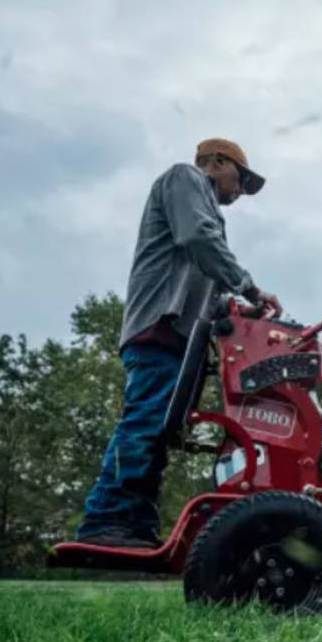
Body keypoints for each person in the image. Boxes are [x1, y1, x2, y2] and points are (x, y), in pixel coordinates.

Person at [75, 138, 282, 548]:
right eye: (241, 179)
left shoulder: (200, 209)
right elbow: (199, 239)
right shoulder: (184, 179)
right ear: (216, 162)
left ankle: (134, 525)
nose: (240, 190)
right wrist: (250, 289)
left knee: (161, 430)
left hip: (180, 338)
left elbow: (205, 291)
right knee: (146, 418)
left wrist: (242, 310)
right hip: (159, 327)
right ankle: (106, 519)